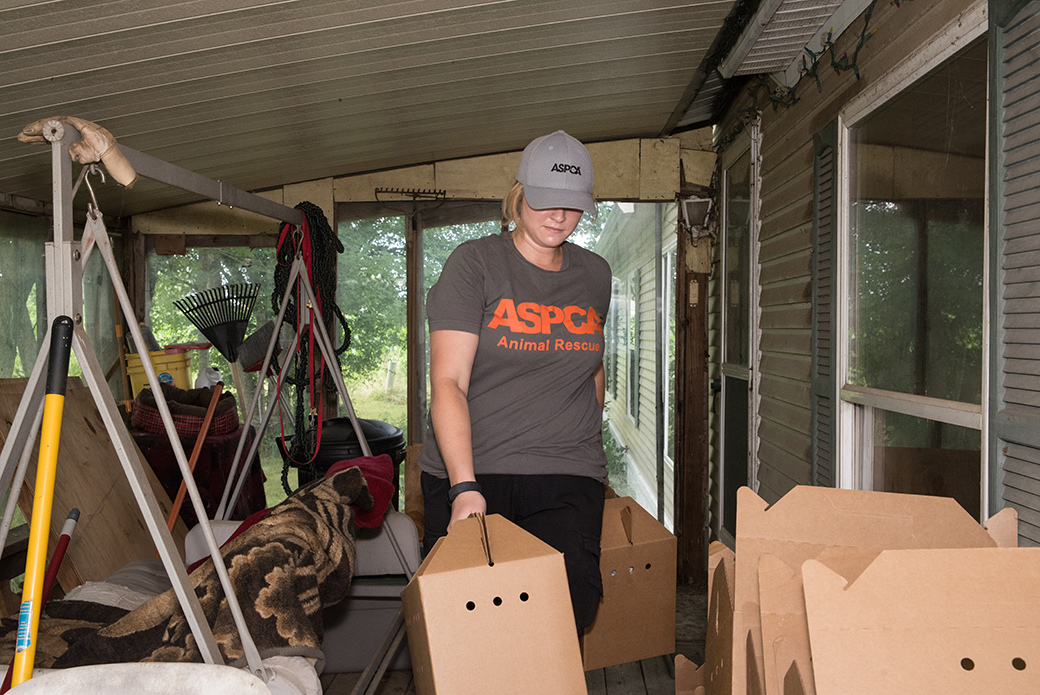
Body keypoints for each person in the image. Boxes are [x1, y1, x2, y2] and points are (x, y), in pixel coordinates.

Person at [418, 130, 611, 631]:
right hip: (475, 470)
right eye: (545, 201)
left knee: (568, 610)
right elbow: (448, 382)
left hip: (566, 469)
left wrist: (590, 437)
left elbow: (591, 362)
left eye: (571, 206)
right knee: (468, 625)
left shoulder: (595, 275)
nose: (557, 217)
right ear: (519, 193)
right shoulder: (475, 264)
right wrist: (463, 487)